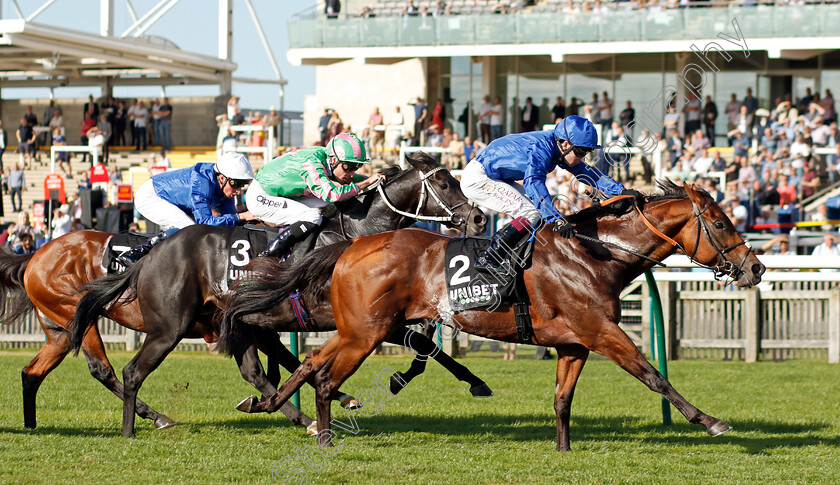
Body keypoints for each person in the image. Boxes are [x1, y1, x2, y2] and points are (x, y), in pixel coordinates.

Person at [460, 115, 634, 273]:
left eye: (587, 152)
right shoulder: (541, 148)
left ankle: (518, 258)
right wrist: (555, 217)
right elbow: (533, 182)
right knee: (531, 212)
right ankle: (489, 257)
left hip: (497, 177)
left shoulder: (558, 148)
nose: (583, 157)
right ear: (565, 144)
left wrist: (621, 191)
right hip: (479, 178)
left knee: (537, 214)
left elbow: (587, 173)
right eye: (581, 151)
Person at [249, 133, 384, 259]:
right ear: (334, 160)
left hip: (280, 195)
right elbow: (332, 194)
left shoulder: (326, 158)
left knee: (326, 207)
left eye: (357, 167)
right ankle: (269, 255)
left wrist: (373, 179)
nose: (352, 173)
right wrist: (367, 182)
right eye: (348, 167)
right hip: (261, 196)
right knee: (312, 216)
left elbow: (350, 181)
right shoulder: (312, 164)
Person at [116, 152, 258, 266]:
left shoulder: (224, 185)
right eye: (236, 184)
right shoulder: (201, 182)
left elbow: (230, 219)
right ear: (222, 178)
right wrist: (242, 216)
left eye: (242, 185)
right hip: (150, 197)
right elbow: (205, 222)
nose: (239, 191)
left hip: (172, 199)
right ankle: (136, 253)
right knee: (191, 230)